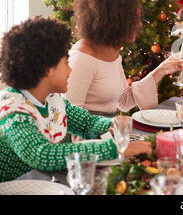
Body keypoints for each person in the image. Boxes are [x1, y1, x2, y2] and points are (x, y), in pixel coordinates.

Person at [0, 16, 153, 182]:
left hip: (41, 184)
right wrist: (115, 149)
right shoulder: (13, 111)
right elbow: (42, 155)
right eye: (66, 63)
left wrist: (113, 126)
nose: (70, 70)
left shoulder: (52, 100)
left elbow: (86, 123)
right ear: (47, 68)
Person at [66, 0, 183, 117]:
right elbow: (70, 119)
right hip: (92, 136)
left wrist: (161, 70)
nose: (139, 24)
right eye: (134, 18)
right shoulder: (82, 58)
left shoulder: (111, 50)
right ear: (114, 21)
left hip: (109, 132)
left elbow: (123, 100)